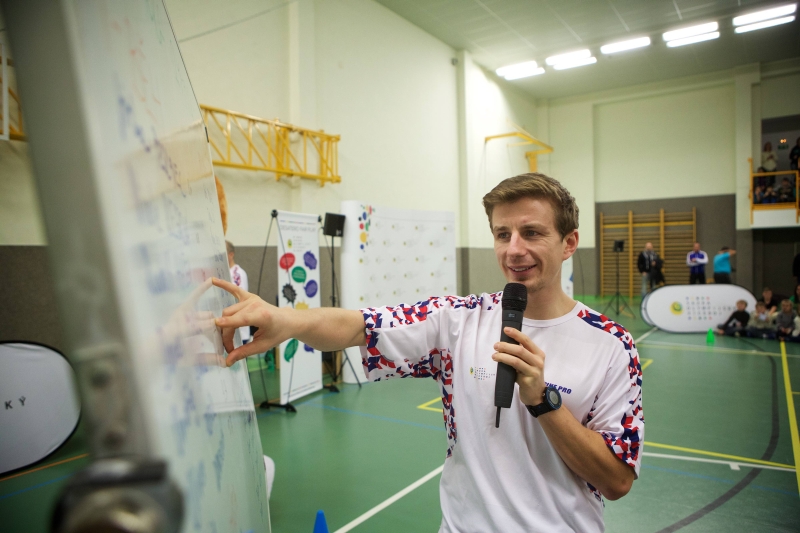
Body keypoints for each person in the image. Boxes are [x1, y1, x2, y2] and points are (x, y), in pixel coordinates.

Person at [212, 173, 642, 531]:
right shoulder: (458, 321)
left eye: (532, 233)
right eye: (502, 234)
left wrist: (544, 402)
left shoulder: (612, 345)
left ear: (569, 242)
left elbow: (617, 479)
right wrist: (286, 321)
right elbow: (360, 325)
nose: (514, 249)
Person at [226, 240, 251, 344]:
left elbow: (240, 300)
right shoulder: (224, 272)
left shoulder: (237, 274)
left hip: (239, 331)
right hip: (228, 328)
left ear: (231, 254)